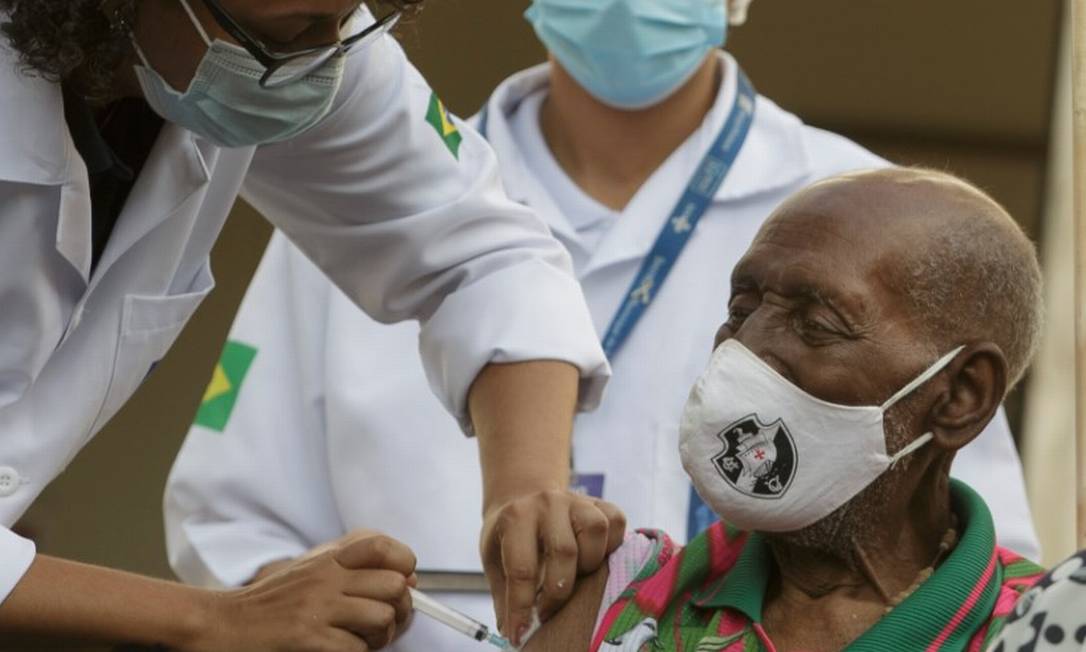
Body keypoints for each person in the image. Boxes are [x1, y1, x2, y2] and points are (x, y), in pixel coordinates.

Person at [164, 0, 1040, 649]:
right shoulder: (349, 212)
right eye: (741, 309)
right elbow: (232, 538)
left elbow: (952, 552)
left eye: (815, 321)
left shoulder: (877, 223)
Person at [0, 0, 623, 648]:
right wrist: (220, 620)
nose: (327, 60)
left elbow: (487, 254)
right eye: (295, 33)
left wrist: (524, 488)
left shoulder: (296, 31)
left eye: (348, 20)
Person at [521, 167, 1048, 652]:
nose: (745, 348)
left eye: (817, 324)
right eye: (740, 311)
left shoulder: (1038, 630)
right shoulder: (624, 603)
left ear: (961, 396)